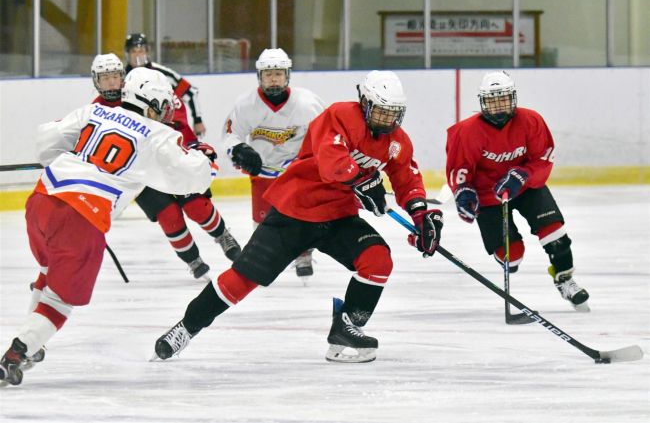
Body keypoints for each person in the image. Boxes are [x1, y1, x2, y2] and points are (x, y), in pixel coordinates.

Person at [152, 70, 444, 364]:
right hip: (296, 209)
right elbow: (332, 162)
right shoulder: (339, 115)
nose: (387, 120)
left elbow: (406, 178)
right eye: (381, 112)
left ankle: (346, 328)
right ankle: (186, 328)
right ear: (365, 102)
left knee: (378, 259)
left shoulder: (397, 141)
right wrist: (363, 182)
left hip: (338, 215)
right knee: (243, 279)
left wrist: (420, 214)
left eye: (393, 114)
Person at [0, 68, 220, 386]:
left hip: (41, 200)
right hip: (82, 217)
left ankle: (33, 345)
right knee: (61, 299)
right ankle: (17, 353)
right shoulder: (159, 135)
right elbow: (190, 179)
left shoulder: (95, 110)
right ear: (152, 104)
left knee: (50, 270)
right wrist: (206, 157)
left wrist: (70, 155)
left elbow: (46, 141)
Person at [445, 71, 590, 311]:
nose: (498, 105)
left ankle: (565, 279)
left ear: (513, 98)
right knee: (512, 256)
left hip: (526, 188)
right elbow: (459, 171)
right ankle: (509, 256)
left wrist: (523, 175)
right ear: (482, 102)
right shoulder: (466, 132)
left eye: (503, 99)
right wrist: (464, 193)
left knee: (555, 235)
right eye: (492, 100)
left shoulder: (531, 120)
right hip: (488, 194)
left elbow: (543, 160)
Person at [89, 53, 241, 280]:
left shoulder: (142, 89)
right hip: (140, 173)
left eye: (115, 77)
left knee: (196, 206)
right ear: (95, 81)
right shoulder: (94, 111)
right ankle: (193, 259)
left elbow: (175, 122)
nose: (111, 83)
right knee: (169, 215)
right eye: (105, 78)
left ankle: (222, 235)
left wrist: (193, 146)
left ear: (123, 77)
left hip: (169, 161)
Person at [223, 48, 325, 282]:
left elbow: (325, 134)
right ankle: (261, 260)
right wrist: (239, 149)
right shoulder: (246, 104)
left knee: (301, 214)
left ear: (287, 75)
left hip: (297, 170)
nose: (274, 79)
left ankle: (303, 253)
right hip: (263, 170)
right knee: (262, 222)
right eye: (268, 74)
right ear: (259, 76)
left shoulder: (307, 103)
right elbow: (230, 135)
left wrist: (315, 160)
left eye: (278, 74)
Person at [124, 32, 206, 137]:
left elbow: (190, 92)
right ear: (127, 54)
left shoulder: (162, 73)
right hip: (133, 129)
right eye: (133, 51)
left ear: (147, 52)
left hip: (162, 130)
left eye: (141, 51)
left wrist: (197, 120)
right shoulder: (121, 76)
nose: (137, 55)